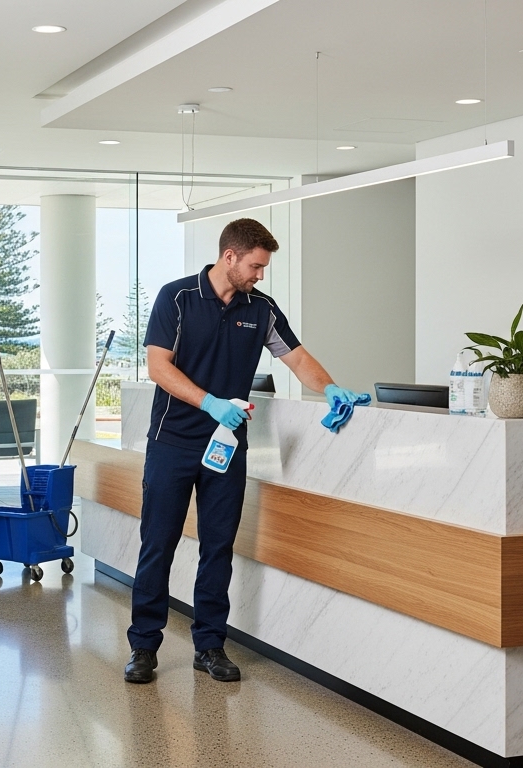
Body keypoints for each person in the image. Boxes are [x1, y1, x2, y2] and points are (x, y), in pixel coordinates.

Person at [124, 218, 363, 684]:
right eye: (255, 265)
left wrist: (330, 388)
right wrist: (209, 402)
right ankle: (143, 647)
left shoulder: (262, 308)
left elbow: (296, 358)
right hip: (172, 442)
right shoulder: (177, 298)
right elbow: (158, 366)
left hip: (226, 447)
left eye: (263, 267)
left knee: (218, 548)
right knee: (158, 545)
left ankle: (210, 646)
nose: (259, 275)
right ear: (229, 256)